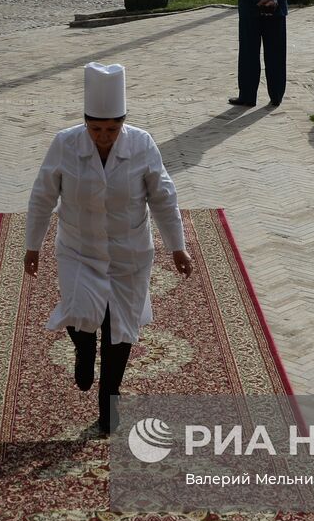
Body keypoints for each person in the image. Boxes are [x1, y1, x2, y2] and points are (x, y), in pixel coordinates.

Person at [25, 62, 193, 435]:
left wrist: (177, 247)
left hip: (128, 251)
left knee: (121, 326)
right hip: (78, 248)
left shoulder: (142, 144)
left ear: (123, 123)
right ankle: (83, 348)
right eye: (96, 129)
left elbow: (164, 198)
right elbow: (42, 197)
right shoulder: (65, 144)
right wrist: (32, 246)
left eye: (112, 129)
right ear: (85, 123)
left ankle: (110, 400)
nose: (104, 137)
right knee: (82, 311)